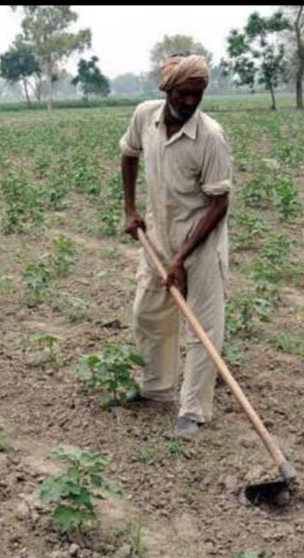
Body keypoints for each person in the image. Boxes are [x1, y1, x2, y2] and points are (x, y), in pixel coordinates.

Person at [119, 53, 232, 437]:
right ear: (167, 89)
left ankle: (193, 411)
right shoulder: (144, 117)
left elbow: (220, 203)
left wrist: (182, 258)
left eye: (197, 94)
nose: (190, 101)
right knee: (148, 314)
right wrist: (131, 209)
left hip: (201, 243)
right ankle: (158, 389)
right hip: (158, 236)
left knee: (202, 329)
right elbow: (128, 153)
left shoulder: (210, 138)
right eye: (184, 93)